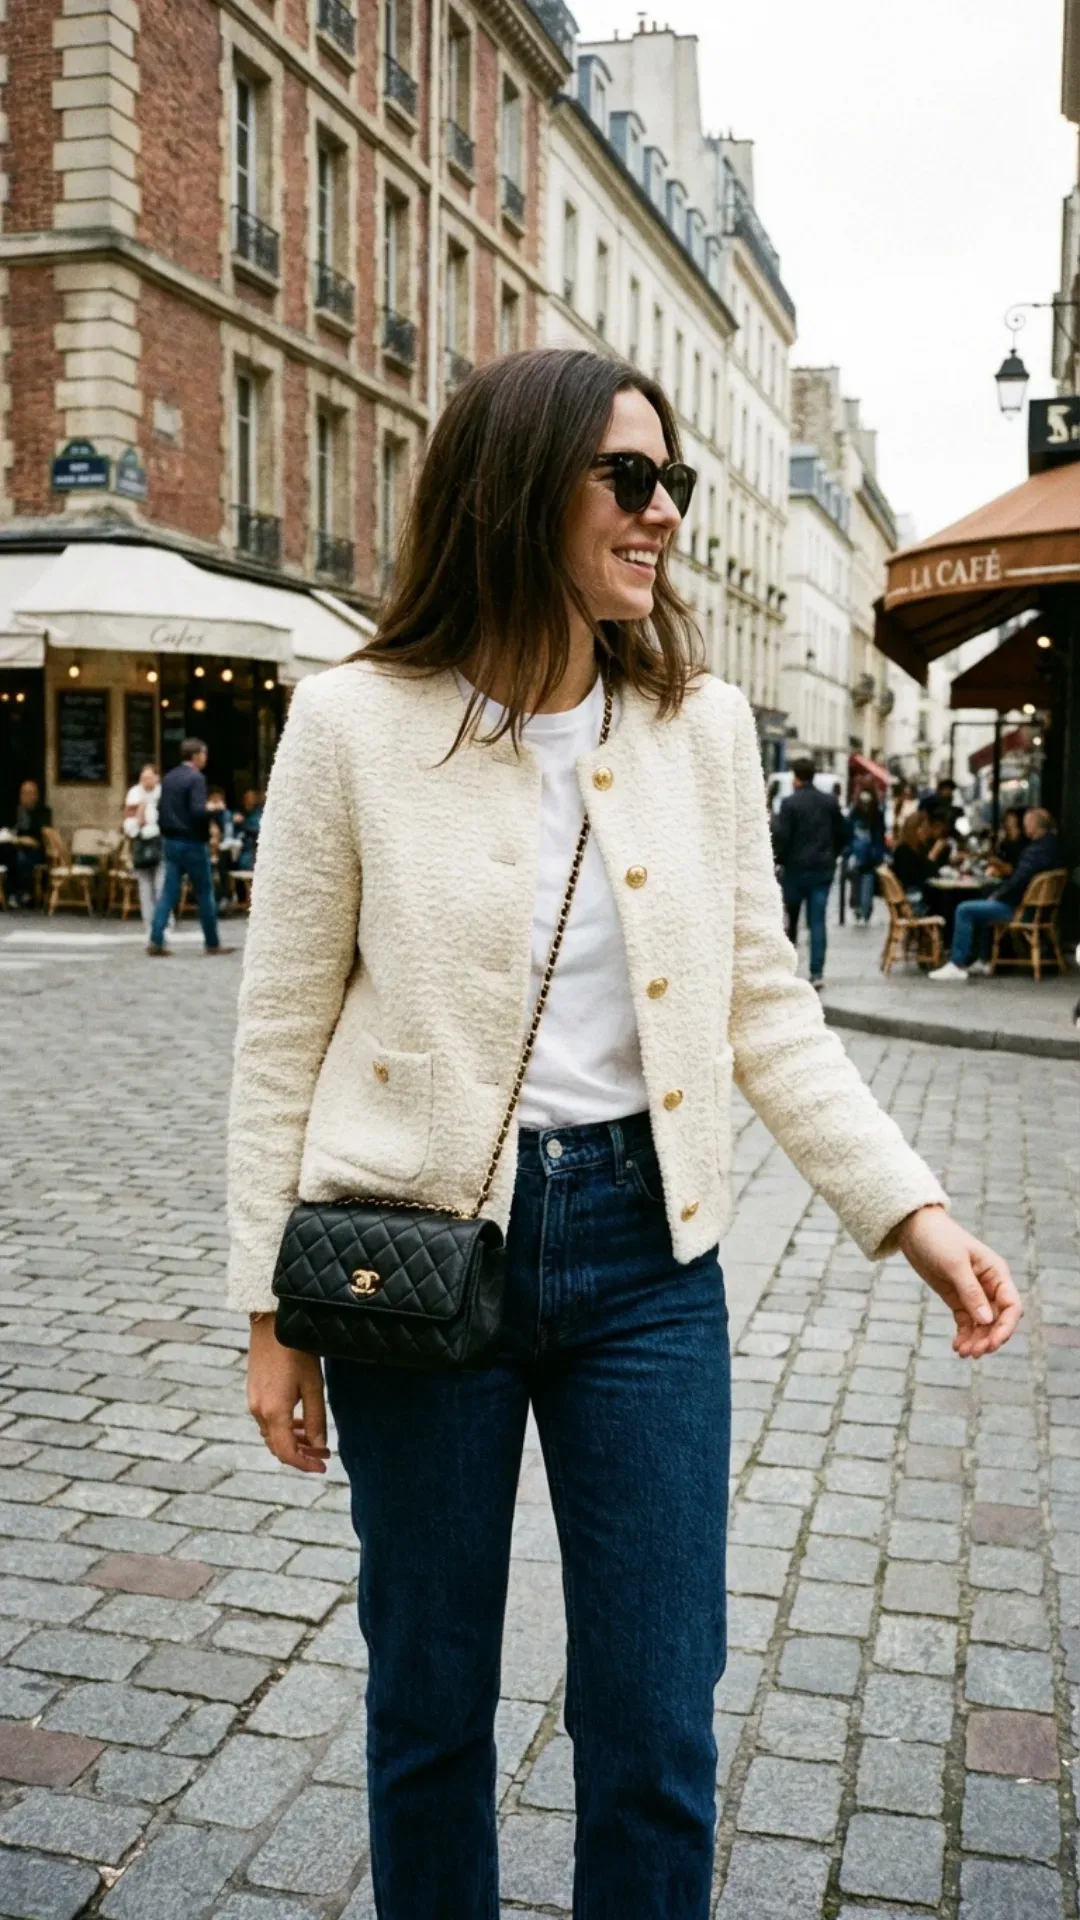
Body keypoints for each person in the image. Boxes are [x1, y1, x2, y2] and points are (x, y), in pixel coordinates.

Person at [230, 349, 1021, 1920]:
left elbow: (765, 1007)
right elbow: (278, 1034)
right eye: (632, 480)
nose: (664, 513)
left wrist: (913, 1215)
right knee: (431, 1701)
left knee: (655, 1716)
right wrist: (269, 1310)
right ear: (523, 491)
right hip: (415, 1258)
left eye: (676, 483)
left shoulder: (701, 727)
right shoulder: (350, 726)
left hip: (647, 1255)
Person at [930, 807, 1063, 981]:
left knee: (964, 909)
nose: (1024, 828)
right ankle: (984, 959)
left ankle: (957, 963)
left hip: (1022, 910)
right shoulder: (1053, 846)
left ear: (1034, 826)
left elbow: (1018, 882)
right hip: (1040, 909)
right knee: (983, 903)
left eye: (1026, 824)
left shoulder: (1034, 851)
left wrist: (998, 895)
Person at [147, 740, 234, 957]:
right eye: (203, 754)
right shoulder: (196, 778)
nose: (205, 758)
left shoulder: (169, 777)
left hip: (171, 841)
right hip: (193, 842)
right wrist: (214, 810)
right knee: (205, 892)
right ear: (195, 756)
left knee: (168, 892)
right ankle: (212, 942)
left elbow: (161, 809)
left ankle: (156, 939)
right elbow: (196, 811)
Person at [772, 757, 846, 987]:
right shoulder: (829, 802)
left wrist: (780, 861)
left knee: (790, 921)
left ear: (796, 777)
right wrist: (832, 857)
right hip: (822, 871)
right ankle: (817, 972)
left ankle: (789, 968)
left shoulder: (789, 804)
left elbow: (782, 838)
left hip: (795, 871)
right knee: (817, 922)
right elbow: (842, 834)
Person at [123, 762, 165, 928]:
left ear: (157, 778)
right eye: (143, 778)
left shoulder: (163, 793)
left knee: (161, 885)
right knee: (145, 885)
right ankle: (148, 921)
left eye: (149, 777)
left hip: (160, 841)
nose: (146, 781)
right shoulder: (134, 793)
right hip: (141, 841)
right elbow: (129, 817)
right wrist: (138, 823)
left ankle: (164, 921)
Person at [0, 778, 52, 906]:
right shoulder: (12, 812)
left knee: (20, 858)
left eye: (30, 793)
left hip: (34, 851)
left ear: (36, 796)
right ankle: (9, 894)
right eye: (23, 793)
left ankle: (21, 893)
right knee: (8, 853)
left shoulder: (43, 812)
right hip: (11, 847)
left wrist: (20, 840)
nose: (26, 797)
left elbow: (37, 840)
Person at [890, 811, 949, 910]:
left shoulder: (920, 848)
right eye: (924, 828)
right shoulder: (903, 851)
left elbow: (933, 873)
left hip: (921, 893)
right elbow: (917, 878)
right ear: (915, 830)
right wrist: (933, 855)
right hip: (912, 897)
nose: (927, 832)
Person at [844, 786, 887, 923]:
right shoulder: (857, 812)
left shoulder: (874, 813)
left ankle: (865, 909)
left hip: (869, 855)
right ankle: (860, 908)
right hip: (859, 855)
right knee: (857, 882)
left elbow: (880, 835)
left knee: (866, 882)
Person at [989, 807, 1027, 876]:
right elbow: (995, 859)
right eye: (1006, 819)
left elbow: (1014, 870)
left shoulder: (1024, 843)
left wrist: (999, 864)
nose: (1006, 821)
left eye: (1009, 818)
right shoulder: (1005, 842)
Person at [233, 788, 264, 871]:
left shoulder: (258, 813)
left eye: (251, 798)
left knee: (246, 862)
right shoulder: (237, 812)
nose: (249, 800)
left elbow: (257, 828)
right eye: (247, 798)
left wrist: (243, 823)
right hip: (237, 843)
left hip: (250, 843)